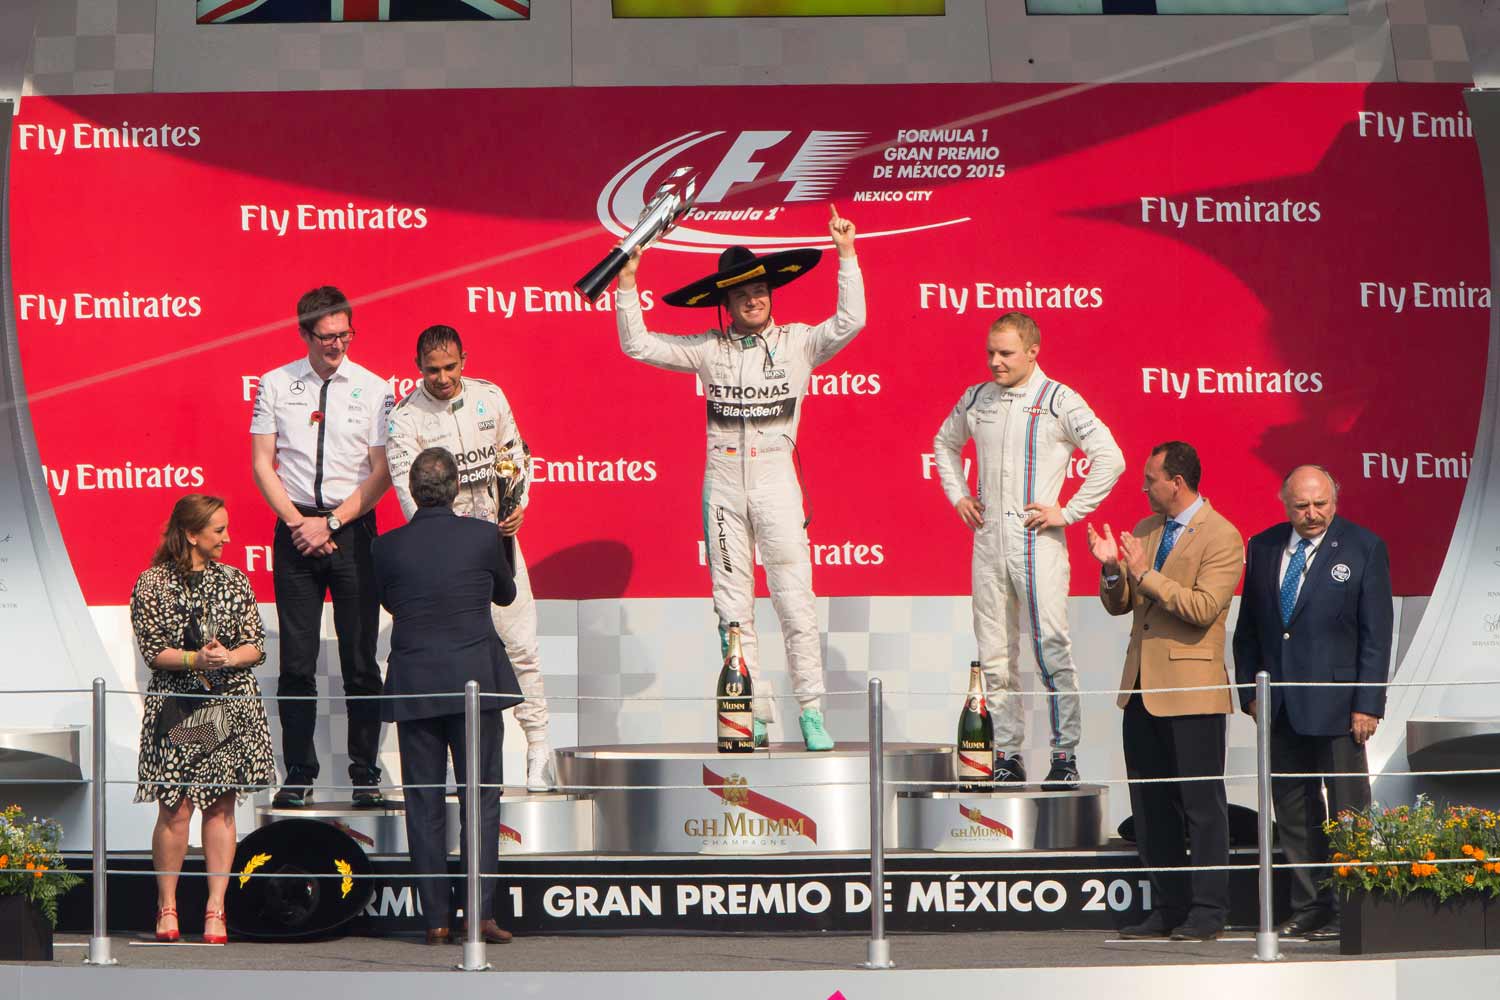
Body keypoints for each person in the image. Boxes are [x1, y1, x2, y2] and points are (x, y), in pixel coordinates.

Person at [614, 205, 862, 750]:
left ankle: (812, 713)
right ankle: (752, 710)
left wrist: (847, 255)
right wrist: (628, 283)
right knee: (731, 608)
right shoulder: (709, 348)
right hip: (722, 487)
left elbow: (851, 322)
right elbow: (637, 345)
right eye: (743, 293)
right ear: (725, 302)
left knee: (796, 603)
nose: (756, 298)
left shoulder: (798, 341)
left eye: (762, 290)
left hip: (777, 484)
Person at [933, 312, 1124, 787]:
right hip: (988, 540)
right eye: (990, 353)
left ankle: (1064, 757)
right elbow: (943, 443)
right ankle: (1008, 753)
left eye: (1006, 353)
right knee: (994, 654)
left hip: (1037, 542)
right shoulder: (977, 398)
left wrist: (1070, 510)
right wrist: (958, 494)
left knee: (1050, 650)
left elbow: (1110, 456)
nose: (995, 362)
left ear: (1033, 351)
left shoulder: (1059, 398)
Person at [384, 324, 556, 790]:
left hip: (497, 542)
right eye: (432, 369)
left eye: (450, 367)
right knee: (452, 656)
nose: (441, 377)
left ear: (465, 359)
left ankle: (539, 747)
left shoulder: (490, 397)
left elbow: (516, 457)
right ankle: (435, 772)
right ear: (417, 367)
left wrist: (519, 504)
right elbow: (408, 496)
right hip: (446, 559)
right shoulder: (405, 418)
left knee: (522, 647)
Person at [1087, 441, 1243, 941]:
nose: (1143, 486)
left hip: (1193, 691)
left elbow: (1202, 608)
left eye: (1151, 478)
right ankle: (1169, 906)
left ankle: (1208, 911)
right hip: (1141, 689)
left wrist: (1143, 574)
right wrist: (1113, 570)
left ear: (1177, 482)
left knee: (1200, 805)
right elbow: (1122, 604)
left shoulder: (1222, 536)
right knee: (1152, 807)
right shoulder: (1146, 530)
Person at [1233, 465, 1391, 942]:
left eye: (1320, 503)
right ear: (1285, 504)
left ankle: (1353, 909)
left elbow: (1376, 634)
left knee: (1348, 810)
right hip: (1279, 707)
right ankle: (1311, 906)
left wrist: (1368, 703)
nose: (1312, 514)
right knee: (1295, 812)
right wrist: (1250, 694)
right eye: (1302, 505)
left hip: (1341, 709)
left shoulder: (1364, 547)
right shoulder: (1263, 546)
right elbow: (1250, 631)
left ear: (1334, 500)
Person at [250, 285, 394, 808]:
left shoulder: (376, 388)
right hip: (294, 535)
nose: (337, 344)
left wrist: (330, 522)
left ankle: (364, 774)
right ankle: (299, 775)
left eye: (345, 334)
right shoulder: (274, 384)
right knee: (296, 663)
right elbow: (263, 463)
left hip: (352, 530)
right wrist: (298, 523)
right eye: (327, 336)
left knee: (360, 661)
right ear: (304, 333)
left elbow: (381, 472)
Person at [372, 447, 521, 946]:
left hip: (417, 681)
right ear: (456, 490)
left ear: (412, 493)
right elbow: (506, 594)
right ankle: (478, 916)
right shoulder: (483, 536)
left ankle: (435, 919)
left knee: (423, 802)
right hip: (475, 682)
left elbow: (391, 600)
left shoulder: (386, 546)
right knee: (481, 799)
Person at [131, 495, 276, 944]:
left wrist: (229, 656)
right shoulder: (151, 584)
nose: (228, 538)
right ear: (191, 534)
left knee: (221, 806)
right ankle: (167, 906)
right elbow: (154, 651)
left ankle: (217, 908)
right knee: (175, 808)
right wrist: (198, 658)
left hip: (229, 705)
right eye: (218, 530)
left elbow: (257, 645)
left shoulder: (235, 580)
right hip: (178, 706)